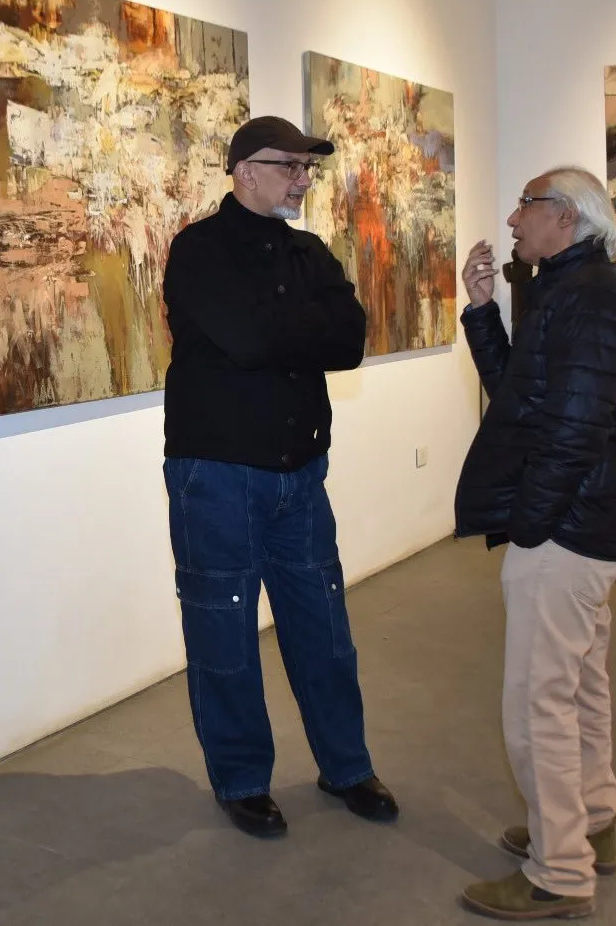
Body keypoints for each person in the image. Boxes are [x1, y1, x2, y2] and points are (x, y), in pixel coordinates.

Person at [160, 115, 398, 838]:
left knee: (324, 627)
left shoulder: (308, 250)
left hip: (300, 472)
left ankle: (347, 766)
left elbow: (349, 340)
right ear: (245, 172)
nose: (302, 180)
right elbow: (246, 338)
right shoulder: (198, 250)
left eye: (306, 168)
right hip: (217, 475)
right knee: (224, 633)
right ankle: (241, 779)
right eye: (288, 166)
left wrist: (279, 328)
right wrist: (299, 325)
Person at [453, 167, 616, 919]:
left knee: (538, 703)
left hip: (568, 531)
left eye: (526, 205)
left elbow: (573, 433)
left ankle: (560, 872)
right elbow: (520, 396)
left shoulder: (590, 300)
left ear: (565, 216)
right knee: (580, 687)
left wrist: (532, 525)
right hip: (587, 525)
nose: (512, 219)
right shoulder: (570, 290)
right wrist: (483, 312)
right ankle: (590, 823)